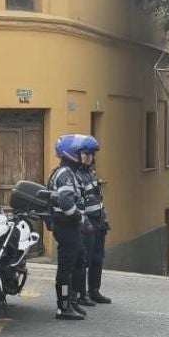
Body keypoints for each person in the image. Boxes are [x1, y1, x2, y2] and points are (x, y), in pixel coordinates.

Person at [48, 135, 92, 320]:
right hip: (66, 226)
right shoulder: (65, 174)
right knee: (66, 267)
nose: (87, 157)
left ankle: (72, 301)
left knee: (78, 261)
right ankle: (64, 307)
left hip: (71, 226)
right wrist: (82, 219)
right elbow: (67, 204)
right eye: (83, 153)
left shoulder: (70, 173)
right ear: (72, 154)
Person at [73, 137, 112, 306]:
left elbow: (97, 197)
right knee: (84, 260)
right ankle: (81, 294)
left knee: (97, 258)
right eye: (85, 153)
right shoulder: (75, 175)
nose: (88, 157)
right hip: (86, 223)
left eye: (91, 154)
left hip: (98, 221)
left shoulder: (91, 173)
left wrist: (104, 216)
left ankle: (94, 291)